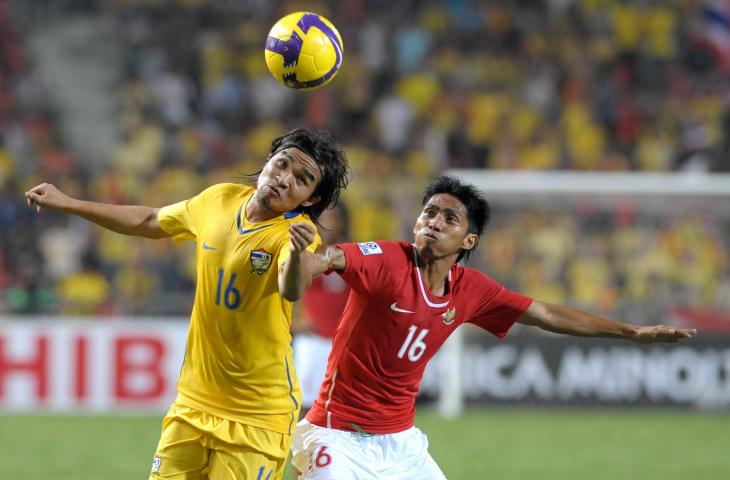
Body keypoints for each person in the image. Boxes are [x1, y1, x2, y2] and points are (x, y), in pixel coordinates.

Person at [290, 175, 697, 480]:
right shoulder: (386, 260)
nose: (433, 221)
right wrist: (300, 260)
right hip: (335, 435)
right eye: (428, 212)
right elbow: (329, 258)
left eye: (450, 218)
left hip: (401, 443)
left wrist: (630, 332)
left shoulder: (471, 290)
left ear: (468, 240)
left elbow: (547, 314)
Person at [25, 128, 350, 480]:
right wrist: (70, 203)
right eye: (282, 164)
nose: (284, 179)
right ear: (267, 161)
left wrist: (301, 252)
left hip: (257, 415)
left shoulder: (298, 233)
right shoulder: (218, 200)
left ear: (309, 200)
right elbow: (150, 220)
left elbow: (292, 286)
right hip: (193, 402)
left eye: (302, 180)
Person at [292, 203, 351, 417]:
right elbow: (288, 288)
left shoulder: (351, 254)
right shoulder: (305, 252)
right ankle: (298, 450)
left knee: (338, 406)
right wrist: (294, 321)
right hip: (313, 340)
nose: (328, 224)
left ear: (341, 221)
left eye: (333, 218)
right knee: (303, 404)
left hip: (342, 342)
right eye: (324, 218)